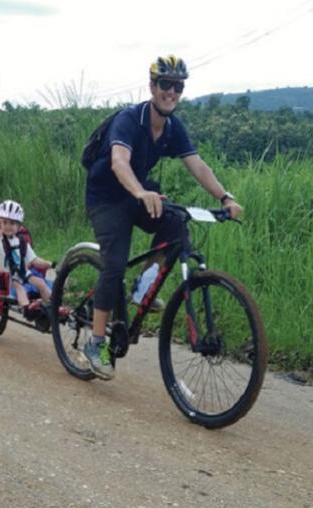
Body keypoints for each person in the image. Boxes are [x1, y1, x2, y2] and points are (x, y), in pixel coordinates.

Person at [82, 54, 243, 380]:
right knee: (114, 264)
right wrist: (140, 192)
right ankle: (95, 343)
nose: (171, 92)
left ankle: (141, 291)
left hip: (139, 193)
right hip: (107, 198)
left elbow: (197, 165)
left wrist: (224, 197)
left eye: (178, 87)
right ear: (152, 86)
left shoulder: (172, 127)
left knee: (175, 225)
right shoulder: (130, 119)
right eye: (166, 84)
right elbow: (118, 161)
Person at [0, 200, 57, 318]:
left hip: (23, 273)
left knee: (41, 283)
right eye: (5, 222)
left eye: (12, 223)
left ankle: (52, 307)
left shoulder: (22, 241)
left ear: (19, 226)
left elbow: (34, 260)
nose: (8, 226)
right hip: (8, 277)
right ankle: (27, 308)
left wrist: (49, 264)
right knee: (19, 287)